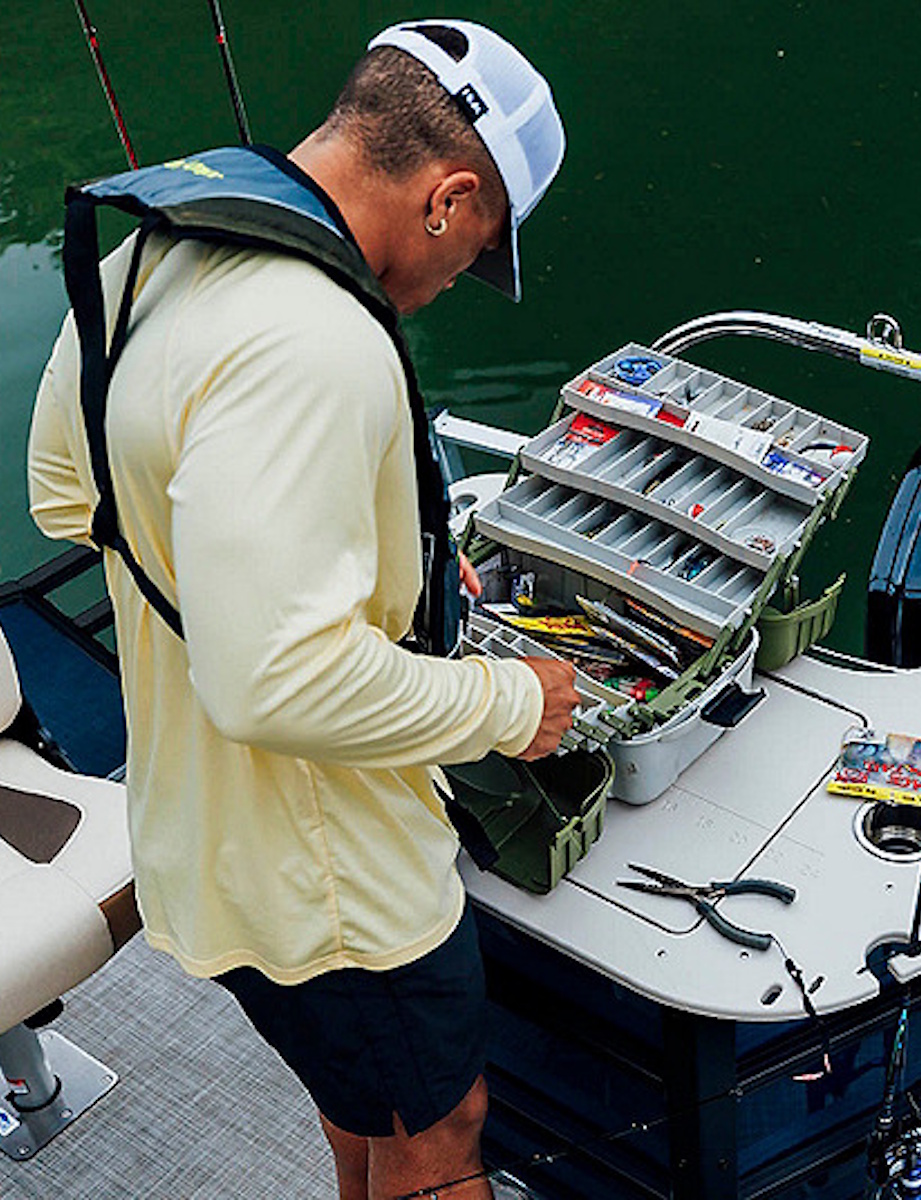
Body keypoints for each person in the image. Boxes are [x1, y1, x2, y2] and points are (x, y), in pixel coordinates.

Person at [27, 19, 581, 1200]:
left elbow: (68, 496)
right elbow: (277, 680)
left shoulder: (150, 252)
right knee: (440, 1134)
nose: (450, 284)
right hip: (336, 882)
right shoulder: (318, 342)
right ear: (449, 198)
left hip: (199, 829)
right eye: (476, 250)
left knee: (361, 1103)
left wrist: (358, 559)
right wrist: (508, 701)